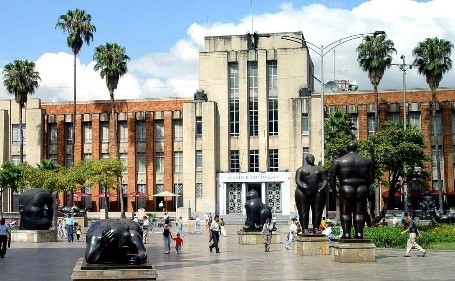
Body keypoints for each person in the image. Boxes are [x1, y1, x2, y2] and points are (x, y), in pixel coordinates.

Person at [330, 141, 374, 239]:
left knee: (345, 212)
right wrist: (365, 185)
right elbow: (371, 178)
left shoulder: (339, 161)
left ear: (347, 148)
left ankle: (346, 234)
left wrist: (334, 190)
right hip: (362, 187)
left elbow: (332, 179)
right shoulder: (367, 161)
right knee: (359, 213)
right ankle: (359, 234)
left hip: (346, 187)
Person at [295, 154, 328, 234]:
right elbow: (297, 180)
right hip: (303, 192)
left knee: (317, 211)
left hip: (317, 191)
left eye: (313, 157)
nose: (311, 159)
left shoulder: (320, 169)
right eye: (310, 158)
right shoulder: (300, 170)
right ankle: (304, 228)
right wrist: (302, 185)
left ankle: (316, 228)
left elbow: (324, 180)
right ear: (306, 159)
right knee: (303, 211)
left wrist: (323, 187)